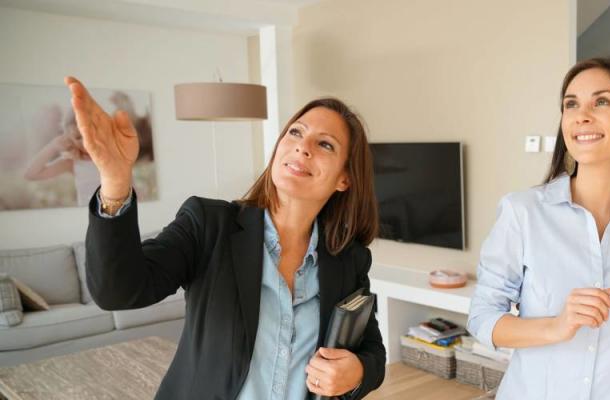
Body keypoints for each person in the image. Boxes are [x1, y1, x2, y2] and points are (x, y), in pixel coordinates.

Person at [66, 76, 386, 399]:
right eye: (296, 132)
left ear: (344, 179)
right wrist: (115, 180)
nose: (303, 146)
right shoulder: (208, 225)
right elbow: (118, 291)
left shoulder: (349, 259)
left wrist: (357, 372)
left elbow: (374, 352)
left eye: (325, 144)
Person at [467, 57, 610, 399]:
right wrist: (556, 326)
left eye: (601, 101)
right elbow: (482, 319)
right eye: (571, 104)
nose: (582, 115)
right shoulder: (524, 211)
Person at [23, 110, 100, 206]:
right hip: (87, 215)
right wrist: (53, 146)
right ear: (70, 140)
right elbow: (30, 174)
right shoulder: (72, 162)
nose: (87, 141)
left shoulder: (115, 156)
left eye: (90, 133)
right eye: (78, 137)